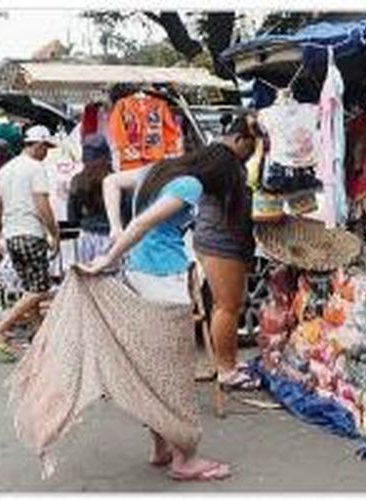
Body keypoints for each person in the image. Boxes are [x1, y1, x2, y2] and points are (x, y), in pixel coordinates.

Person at [76, 116, 257, 481]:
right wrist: (108, 255)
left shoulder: (159, 169)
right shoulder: (190, 184)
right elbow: (143, 224)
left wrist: (114, 229)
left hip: (139, 273)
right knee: (173, 371)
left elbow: (111, 181)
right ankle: (185, 459)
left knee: (152, 368)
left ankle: (160, 447)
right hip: (163, 277)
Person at [193, 115, 262, 390]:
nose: (249, 154)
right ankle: (226, 370)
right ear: (239, 139)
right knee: (227, 307)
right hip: (220, 241)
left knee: (225, 306)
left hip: (215, 238)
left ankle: (226, 362)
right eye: (249, 147)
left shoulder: (216, 156)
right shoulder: (223, 160)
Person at [0, 125, 60, 355]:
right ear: (37, 144)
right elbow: (41, 204)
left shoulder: (5, 170)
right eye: (45, 147)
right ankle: (0, 328)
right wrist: (54, 233)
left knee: (30, 288)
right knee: (40, 289)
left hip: (12, 237)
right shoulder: (36, 168)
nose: (46, 152)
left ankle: (39, 337)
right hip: (30, 234)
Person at [67, 134, 113, 263]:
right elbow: (127, 214)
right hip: (111, 239)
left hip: (86, 237)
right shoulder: (115, 180)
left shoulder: (77, 181)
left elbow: (72, 218)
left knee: (87, 279)